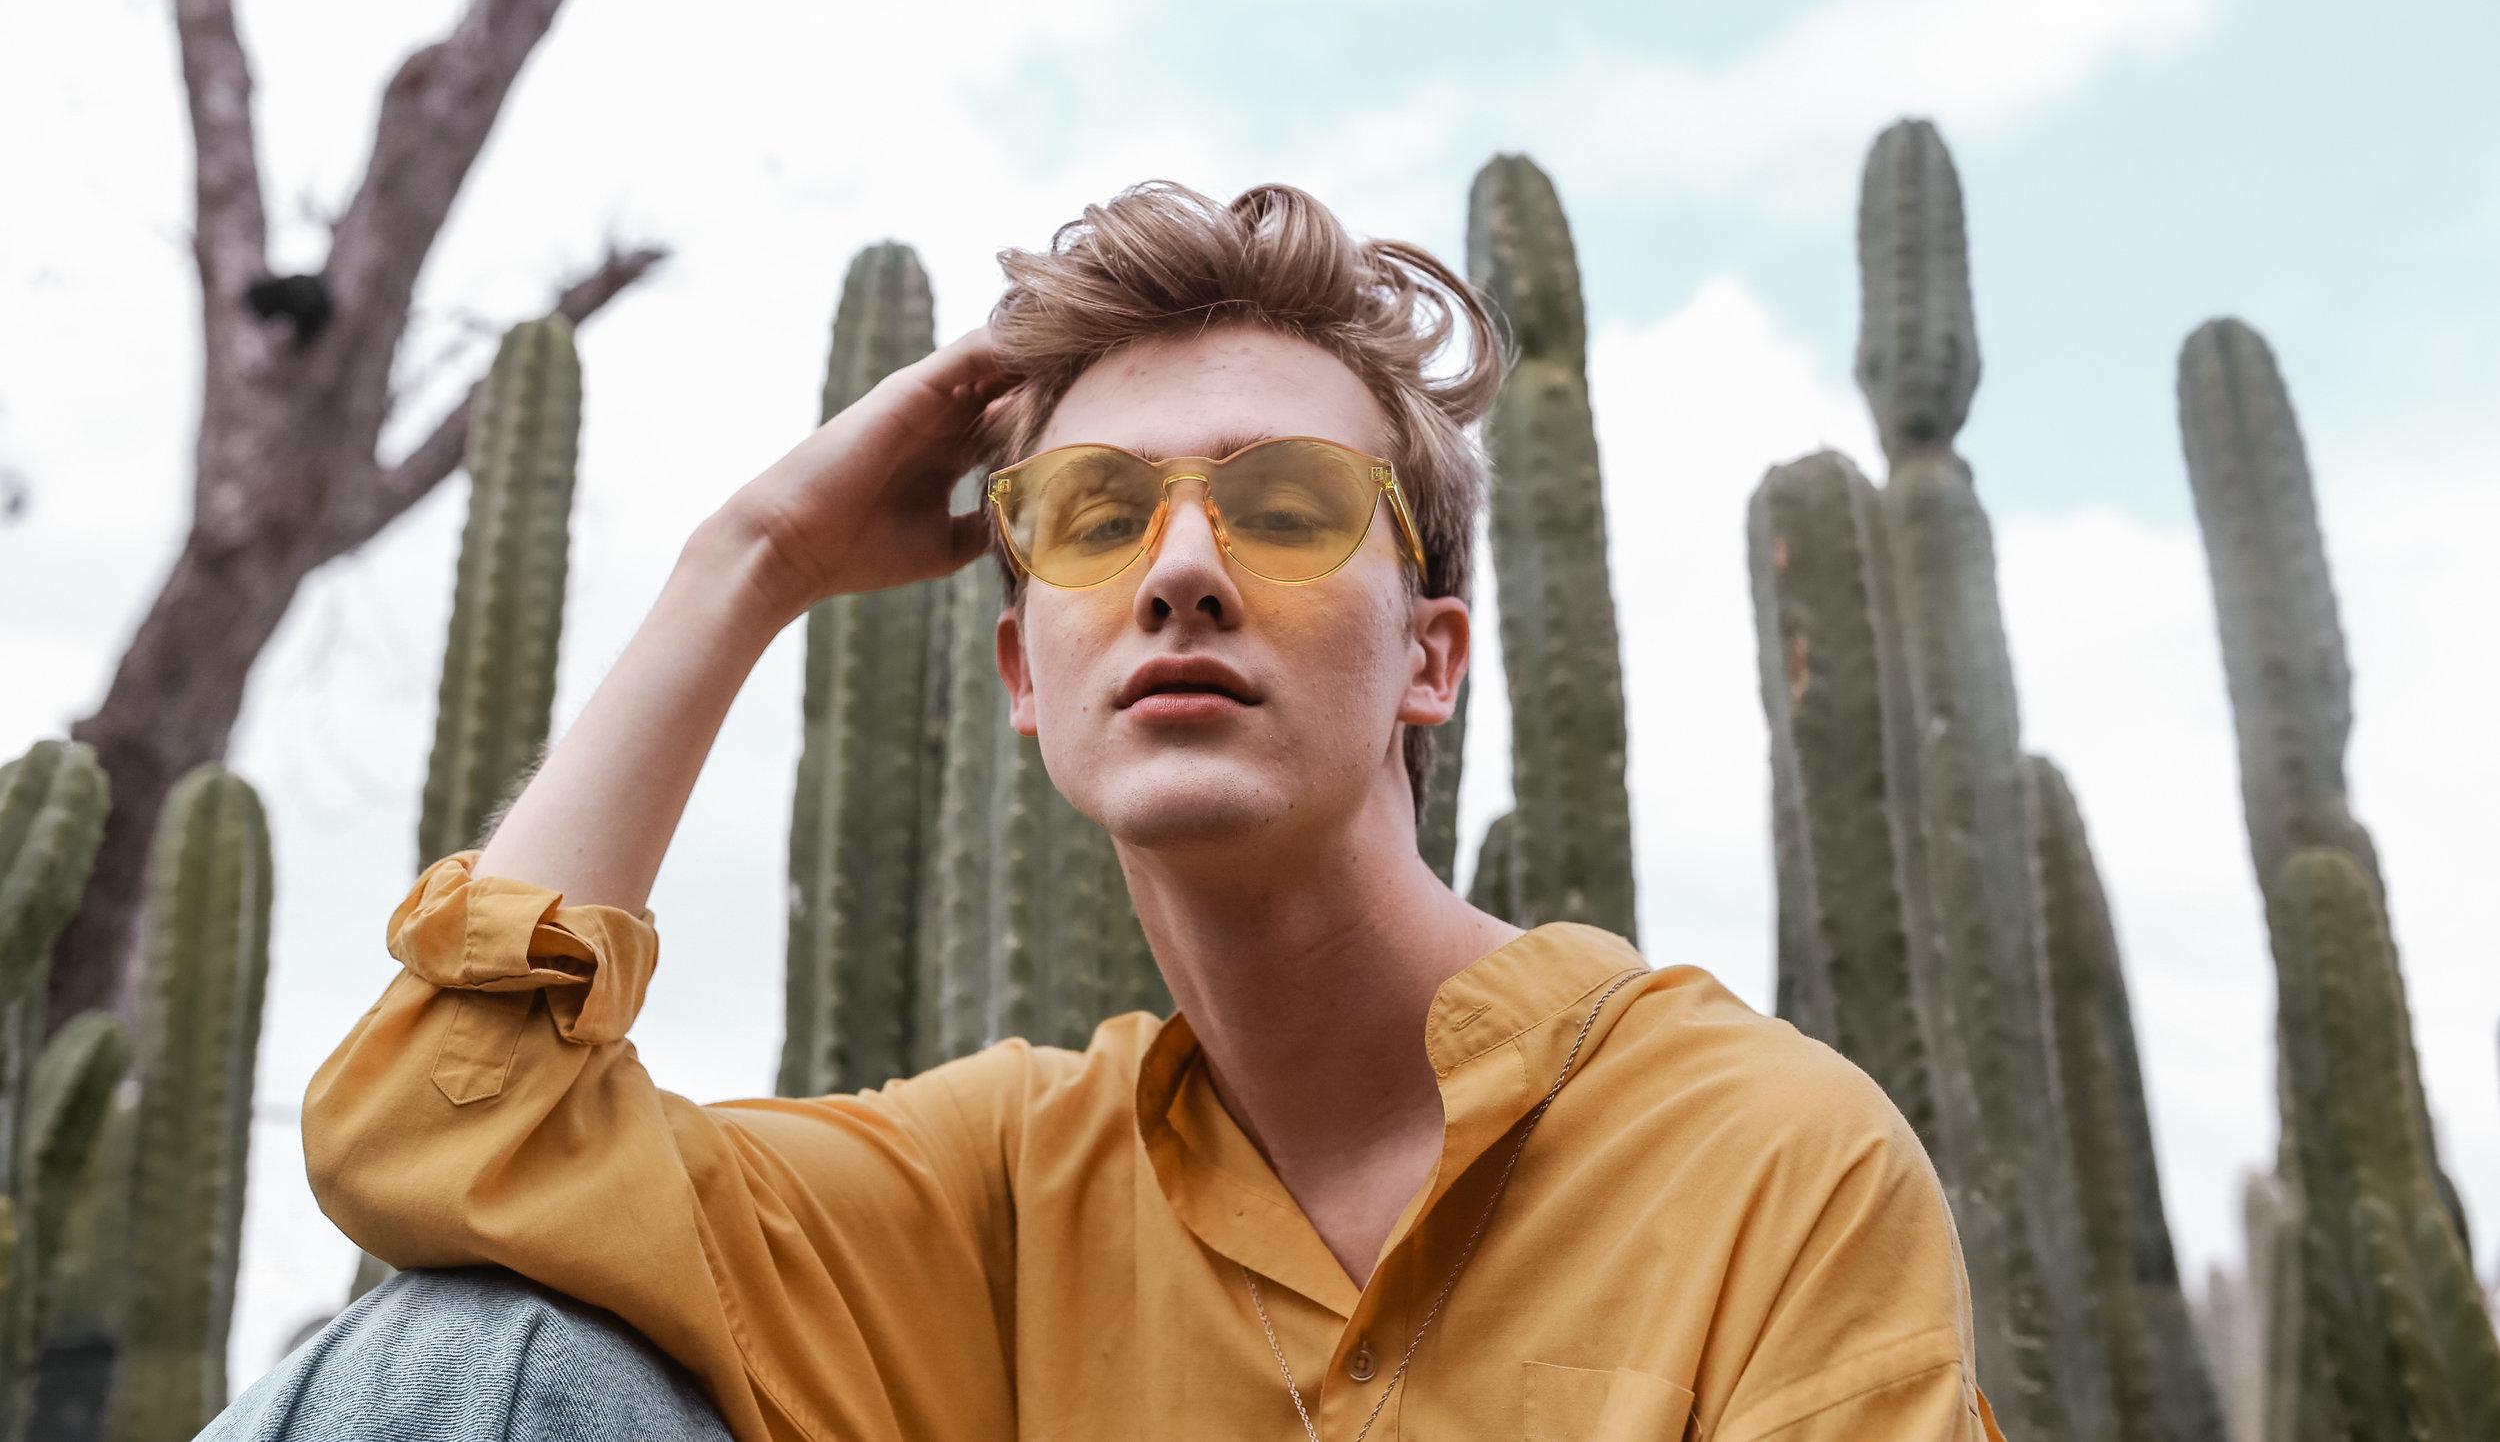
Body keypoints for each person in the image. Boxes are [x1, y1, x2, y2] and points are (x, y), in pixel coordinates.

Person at [208, 181, 2007, 1440]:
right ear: (1020, 677)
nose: (1186, 573)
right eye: (1096, 515)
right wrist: (743, 566)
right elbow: (444, 1144)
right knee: (460, 1362)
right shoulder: (993, 1199)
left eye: (1291, 505)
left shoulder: (1766, 1164)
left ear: (1430, 658)